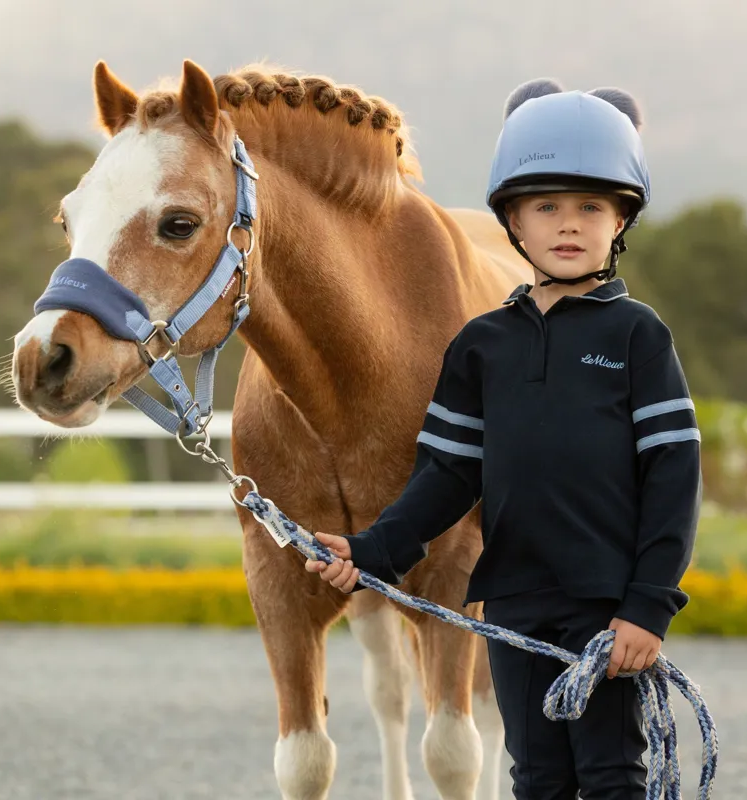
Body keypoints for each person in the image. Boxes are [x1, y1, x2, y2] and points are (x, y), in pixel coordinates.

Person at [305, 78, 702, 799]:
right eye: (546, 205)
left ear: (621, 221)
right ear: (514, 221)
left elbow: (674, 477)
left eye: (590, 206)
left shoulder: (639, 337)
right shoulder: (481, 346)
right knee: (538, 777)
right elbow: (447, 475)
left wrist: (647, 606)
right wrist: (372, 551)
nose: (568, 223)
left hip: (606, 608)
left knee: (614, 777)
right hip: (512, 603)